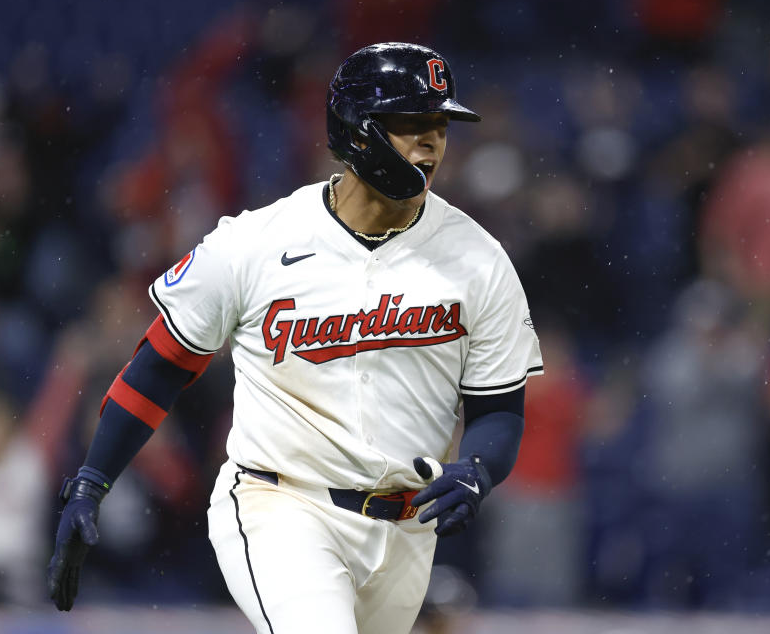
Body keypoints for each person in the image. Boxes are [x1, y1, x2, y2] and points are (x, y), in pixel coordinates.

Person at [46, 42, 543, 634]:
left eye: (439, 124)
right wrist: (91, 482)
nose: (432, 141)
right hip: (280, 504)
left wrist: (478, 468)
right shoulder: (253, 243)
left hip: (406, 531)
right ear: (359, 132)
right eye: (411, 123)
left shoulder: (480, 260)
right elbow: (158, 367)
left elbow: (500, 410)